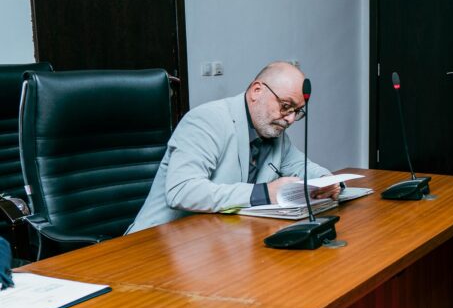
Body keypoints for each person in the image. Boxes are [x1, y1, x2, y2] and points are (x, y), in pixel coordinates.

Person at [128, 62, 341, 233]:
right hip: (156, 245)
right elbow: (182, 191)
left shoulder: (274, 132)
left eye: (298, 111)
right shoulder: (207, 120)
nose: (291, 119)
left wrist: (326, 180)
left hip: (215, 240)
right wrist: (264, 193)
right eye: (286, 106)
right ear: (256, 91)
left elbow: (302, 167)